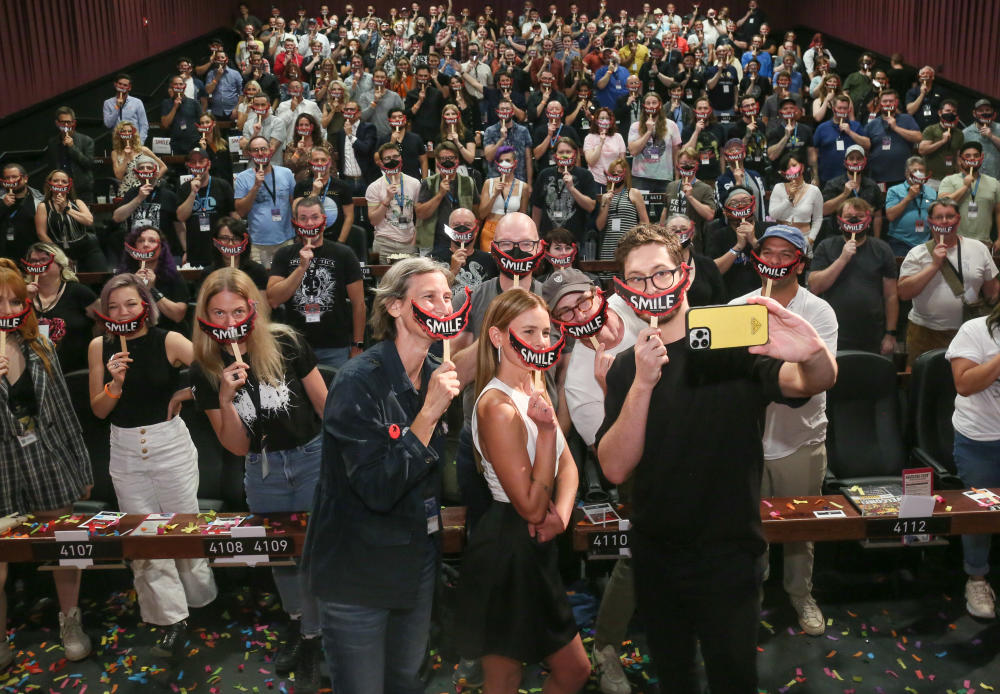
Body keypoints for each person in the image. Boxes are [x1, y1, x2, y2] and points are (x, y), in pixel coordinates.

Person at [596, 224, 837, 694]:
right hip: (657, 553)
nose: (652, 287)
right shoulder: (627, 365)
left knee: (733, 678)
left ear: (683, 274)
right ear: (625, 288)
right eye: (638, 278)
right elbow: (615, 467)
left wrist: (812, 352)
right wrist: (643, 382)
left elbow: (811, 381)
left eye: (661, 273)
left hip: (730, 551)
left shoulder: (729, 338)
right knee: (675, 678)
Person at [303, 258, 460, 694]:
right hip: (357, 566)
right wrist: (428, 414)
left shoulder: (436, 374)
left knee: (406, 682)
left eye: (447, 297)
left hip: (416, 557)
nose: (442, 305)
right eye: (428, 297)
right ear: (394, 307)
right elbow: (375, 488)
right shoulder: (358, 381)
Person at [191, 268, 327, 692]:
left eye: (237, 310)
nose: (230, 322)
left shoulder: (285, 342)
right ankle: (300, 627)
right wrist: (227, 400)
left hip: (311, 458)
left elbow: (326, 404)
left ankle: (314, 640)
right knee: (281, 556)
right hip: (262, 469)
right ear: (205, 317)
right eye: (218, 313)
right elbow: (234, 446)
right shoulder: (205, 369)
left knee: (313, 554)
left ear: (253, 307)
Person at [454, 287, 591, 694]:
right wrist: (548, 432)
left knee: (571, 671)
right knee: (507, 678)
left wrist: (562, 518)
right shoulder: (497, 406)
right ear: (497, 337)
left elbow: (570, 468)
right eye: (528, 332)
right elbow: (530, 505)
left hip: (534, 543)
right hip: (506, 546)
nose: (540, 343)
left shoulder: (534, 385)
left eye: (546, 333)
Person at [87, 273, 217, 659]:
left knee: (183, 530)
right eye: (113, 306)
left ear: (146, 304)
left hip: (169, 447)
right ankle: (170, 619)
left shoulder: (169, 340)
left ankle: (201, 604)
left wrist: (184, 392)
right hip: (124, 451)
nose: (122, 311)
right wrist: (114, 383)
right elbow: (98, 409)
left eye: (130, 303)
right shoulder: (100, 346)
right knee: (144, 540)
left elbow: (213, 371)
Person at [732, 224, 838, 636]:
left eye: (784, 254)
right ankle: (750, 596)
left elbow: (815, 377)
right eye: (768, 252)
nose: (774, 261)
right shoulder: (738, 306)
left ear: (800, 260)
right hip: (748, 441)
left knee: (800, 529)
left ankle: (800, 594)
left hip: (801, 436)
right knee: (749, 528)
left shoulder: (819, 311)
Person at [0, 259, 94, 666]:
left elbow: (64, 411)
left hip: (46, 457)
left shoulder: (41, 344)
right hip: (2, 466)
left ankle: (70, 620)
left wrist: (82, 468)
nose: (7, 309)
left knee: (64, 545)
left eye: (14, 300)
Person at [945, 304, 1000, 619]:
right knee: (980, 513)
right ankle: (976, 578)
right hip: (981, 440)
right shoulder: (975, 330)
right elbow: (964, 384)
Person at [898, 199, 1000, 367]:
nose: (944, 221)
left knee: (965, 382)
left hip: (969, 331)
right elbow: (904, 293)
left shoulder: (978, 248)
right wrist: (934, 265)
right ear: (930, 222)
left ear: (958, 219)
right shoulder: (916, 253)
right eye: (939, 217)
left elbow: (992, 292)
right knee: (924, 384)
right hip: (925, 332)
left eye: (950, 216)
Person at [267, 196, 366, 370]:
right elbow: (274, 299)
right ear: (295, 222)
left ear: (323, 220)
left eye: (314, 217)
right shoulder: (284, 255)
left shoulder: (344, 254)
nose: (309, 223)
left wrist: (358, 344)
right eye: (303, 218)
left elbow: (359, 304)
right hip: (296, 346)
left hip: (336, 347)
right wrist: (301, 268)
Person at [807, 198, 899, 354]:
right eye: (849, 216)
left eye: (860, 215)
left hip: (872, 334)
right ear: (839, 221)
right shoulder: (826, 246)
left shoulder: (882, 249)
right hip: (832, 332)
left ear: (868, 220)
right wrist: (842, 259)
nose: (854, 219)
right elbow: (815, 286)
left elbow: (891, 296)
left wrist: (890, 334)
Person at [24, 242, 98, 373]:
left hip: (76, 371)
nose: (38, 264)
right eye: (33, 261)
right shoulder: (22, 295)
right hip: (35, 372)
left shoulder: (79, 292)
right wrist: (25, 300)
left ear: (59, 264)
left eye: (44, 260)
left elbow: (104, 323)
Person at [235, 135, 297, 268]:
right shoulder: (242, 178)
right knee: (261, 284)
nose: (260, 153)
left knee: (287, 282)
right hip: (258, 244)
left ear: (270, 150)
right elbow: (241, 212)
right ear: (250, 154)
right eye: (255, 150)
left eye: (263, 149)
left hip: (286, 241)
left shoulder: (286, 173)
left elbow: (294, 205)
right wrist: (255, 187)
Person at [115, 226, 189, 332]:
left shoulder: (173, 276)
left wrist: (152, 289)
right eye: (140, 241)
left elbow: (178, 315)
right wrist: (133, 286)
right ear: (134, 246)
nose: (145, 245)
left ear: (161, 247)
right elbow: (116, 314)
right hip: (134, 333)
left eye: (152, 241)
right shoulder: (122, 277)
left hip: (168, 333)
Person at [33, 170, 106, 272]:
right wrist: (59, 254)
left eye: (64, 181)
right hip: (59, 248)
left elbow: (89, 221)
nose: (60, 183)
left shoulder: (78, 202)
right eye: (56, 180)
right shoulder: (43, 206)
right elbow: (41, 234)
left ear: (69, 185)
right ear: (49, 184)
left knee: (101, 275)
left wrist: (67, 209)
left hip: (86, 246)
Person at [112, 155, 184, 257]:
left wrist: (186, 251)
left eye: (149, 168)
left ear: (156, 173)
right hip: (136, 252)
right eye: (141, 168)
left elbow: (180, 227)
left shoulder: (169, 196)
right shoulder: (131, 194)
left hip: (163, 253)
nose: (145, 170)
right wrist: (138, 199)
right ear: (137, 174)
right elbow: (117, 217)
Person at [177, 148, 236, 268]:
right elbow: (180, 217)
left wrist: (234, 245)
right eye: (193, 162)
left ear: (208, 164)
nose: (197, 165)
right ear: (189, 166)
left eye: (201, 161)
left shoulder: (222, 185)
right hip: (195, 251)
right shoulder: (184, 188)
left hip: (221, 249)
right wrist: (193, 193)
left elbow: (234, 217)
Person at [705, 185, 766, 300]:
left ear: (754, 205)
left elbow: (774, 264)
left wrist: (753, 241)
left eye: (745, 201)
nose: (740, 205)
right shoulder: (717, 235)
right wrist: (737, 247)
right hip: (730, 300)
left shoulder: (769, 230)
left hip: (764, 297)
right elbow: (712, 271)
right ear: (725, 212)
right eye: (733, 203)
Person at [938, 142, 1000, 251]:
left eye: (976, 155)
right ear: (960, 159)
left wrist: (999, 238)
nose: (972, 159)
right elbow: (943, 206)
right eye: (968, 156)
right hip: (954, 242)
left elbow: (998, 212)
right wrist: (965, 187)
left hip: (983, 243)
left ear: (981, 158)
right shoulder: (949, 180)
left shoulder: (994, 183)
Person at [366, 142, 421, 262]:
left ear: (401, 158)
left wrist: (415, 240)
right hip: (384, 242)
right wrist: (387, 199)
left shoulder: (415, 183)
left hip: (408, 242)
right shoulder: (374, 187)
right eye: (387, 158)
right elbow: (373, 220)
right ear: (381, 163)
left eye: (396, 157)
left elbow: (421, 216)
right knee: (383, 281)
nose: (392, 160)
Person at [820, 145, 884, 243]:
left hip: (866, 238)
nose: (855, 162)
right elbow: (824, 211)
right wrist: (844, 194)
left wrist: (876, 240)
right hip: (838, 237)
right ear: (845, 162)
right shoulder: (833, 184)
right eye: (851, 159)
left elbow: (878, 216)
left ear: (864, 161)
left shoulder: (872, 186)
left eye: (859, 159)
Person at [292, 146, 356, 245]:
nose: (320, 163)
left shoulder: (342, 186)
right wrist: (314, 193)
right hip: (309, 239)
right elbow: (296, 212)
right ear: (310, 163)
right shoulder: (301, 186)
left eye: (323, 160)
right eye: (316, 160)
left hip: (335, 240)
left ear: (329, 162)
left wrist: (340, 242)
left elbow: (349, 216)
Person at [864, 90, 922, 193]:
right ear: (880, 103)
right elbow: (865, 148)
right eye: (885, 101)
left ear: (896, 102)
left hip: (903, 175)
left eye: (891, 101)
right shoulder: (872, 124)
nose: (888, 104)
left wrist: (896, 128)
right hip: (879, 177)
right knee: (882, 205)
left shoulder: (907, 119)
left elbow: (918, 137)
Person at [661, 149, 717, 255]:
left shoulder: (705, 188)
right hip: (670, 240)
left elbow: (710, 215)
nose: (687, 166)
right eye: (683, 163)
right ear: (677, 165)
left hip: (694, 242)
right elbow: (665, 211)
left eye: (691, 163)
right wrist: (660, 232)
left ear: (697, 165)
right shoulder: (671, 186)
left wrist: (691, 198)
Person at [664, 213, 725, 307]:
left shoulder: (707, 265)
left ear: (692, 235)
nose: (679, 232)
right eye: (673, 229)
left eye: (684, 229)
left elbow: (720, 301)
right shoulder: (656, 266)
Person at [429, 208, 498, 291]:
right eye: (456, 225)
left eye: (468, 225)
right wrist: (452, 271)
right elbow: (430, 292)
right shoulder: (433, 259)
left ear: (476, 230)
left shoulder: (490, 260)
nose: (462, 228)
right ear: (448, 230)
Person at [478, 146, 531, 251]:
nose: (504, 163)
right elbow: (481, 214)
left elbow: (523, 216)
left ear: (514, 163)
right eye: (501, 161)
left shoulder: (523, 187)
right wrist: (495, 194)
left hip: (513, 231)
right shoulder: (489, 183)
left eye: (507, 160)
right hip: (490, 230)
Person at [810, 95, 870, 187]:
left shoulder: (856, 126)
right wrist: (815, 176)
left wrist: (850, 132)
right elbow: (814, 153)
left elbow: (867, 145)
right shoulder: (822, 128)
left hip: (852, 178)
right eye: (839, 108)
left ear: (849, 110)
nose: (842, 111)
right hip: (827, 179)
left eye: (845, 108)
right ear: (833, 109)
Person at [596, 157, 649, 259]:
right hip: (608, 247)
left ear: (625, 174)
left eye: (619, 172)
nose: (616, 175)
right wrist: (606, 204)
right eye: (613, 172)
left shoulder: (634, 193)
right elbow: (599, 226)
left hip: (629, 246)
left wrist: (637, 241)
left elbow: (645, 222)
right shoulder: (605, 196)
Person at [628, 92, 682, 192]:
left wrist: (677, 178)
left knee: (664, 208)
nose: (651, 106)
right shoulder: (635, 126)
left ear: (660, 105)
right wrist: (648, 131)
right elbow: (633, 151)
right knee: (641, 207)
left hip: (664, 178)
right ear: (644, 106)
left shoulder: (672, 125)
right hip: (641, 178)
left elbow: (676, 154)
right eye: (648, 103)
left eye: (654, 102)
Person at [885, 156, 937, 257]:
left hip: (925, 241)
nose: (918, 173)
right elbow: (890, 216)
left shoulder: (932, 192)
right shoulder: (894, 190)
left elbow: (934, 217)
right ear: (906, 173)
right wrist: (908, 197)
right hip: (900, 242)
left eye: (921, 170)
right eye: (914, 170)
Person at [769, 153, 824, 247]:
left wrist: (811, 239)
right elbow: (773, 215)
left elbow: (818, 218)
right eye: (787, 168)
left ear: (802, 167)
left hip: (804, 238)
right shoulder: (778, 188)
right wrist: (789, 199)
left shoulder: (814, 191)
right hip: (781, 237)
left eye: (794, 165)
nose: (791, 170)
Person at [46, 107, 98, 203]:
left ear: (73, 123)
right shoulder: (52, 142)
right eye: (62, 122)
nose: (66, 125)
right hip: (59, 189)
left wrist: (72, 147)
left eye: (68, 122)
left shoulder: (86, 140)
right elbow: (52, 167)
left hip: (81, 190)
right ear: (57, 123)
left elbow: (89, 164)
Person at [207, 217, 269, 289]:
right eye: (224, 238)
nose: (230, 244)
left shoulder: (257, 271)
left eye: (236, 239)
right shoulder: (208, 273)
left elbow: (261, 299)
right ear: (215, 241)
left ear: (244, 242)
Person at [0, 164, 43, 263]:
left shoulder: (39, 201)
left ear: (25, 179)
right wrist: (3, 205)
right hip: (4, 259)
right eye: (7, 178)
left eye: (14, 177)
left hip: (31, 257)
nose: (11, 181)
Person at [111, 121, 167, 197]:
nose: (127, 134)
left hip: (143, 190)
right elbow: (119, 176)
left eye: (129, 131)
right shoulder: (115, 153)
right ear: (119, 135)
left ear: (133, 134)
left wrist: (153, 181)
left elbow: (163, 167)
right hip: (125, 192)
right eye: (124, 131)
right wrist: (126, 158)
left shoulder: (143, 150)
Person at [917, 99, 965, 188]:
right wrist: (942, 142)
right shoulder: (931, 129)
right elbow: (922, 150)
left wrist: (961, 176)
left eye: (954, 112)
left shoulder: (959, 133)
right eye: (948, 111)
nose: (951, 113)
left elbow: (958, 157)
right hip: (931, 179)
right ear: (940, 112)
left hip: (951, 179)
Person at [483, 99, 534, 182]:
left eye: (507, 109)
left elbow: (528, 158)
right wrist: (501, 139)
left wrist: (529, 184)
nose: (505, 111)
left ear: (512, 112)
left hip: (519, 180)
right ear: (498, 112)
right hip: (496, 180)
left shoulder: (523, 130)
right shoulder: (490, 131)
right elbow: (489, 157)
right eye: (502, 109)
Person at [160, 75, 202, 155]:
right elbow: (165, 124)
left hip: (193, 143)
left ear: (184, 86)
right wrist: (175, 107)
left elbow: (201, 123)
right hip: (176, 144)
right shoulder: (166, 103)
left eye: (181, 84)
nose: (178, 86)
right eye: (175, 84)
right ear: (171, 87)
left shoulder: (194, 103)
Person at [102, 73, 149, 143]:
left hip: (134, 142)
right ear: (115, 85)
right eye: (120, 84)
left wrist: (140, 143)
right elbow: (108, 124)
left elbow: (144, 125)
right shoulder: (108, 103)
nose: (122, 87)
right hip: (117, 143)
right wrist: (117, 107)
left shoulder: (137, 102)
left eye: (125, 85)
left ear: (129, 88)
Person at [963, 99, 1000, 181]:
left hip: (997, 180)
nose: (984, 113)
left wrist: (991, 136)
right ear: (974, 113)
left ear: (993, 112)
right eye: (980, 110)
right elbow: (960, 158)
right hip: (974, 179)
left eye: (987, 110)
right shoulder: (966, 133)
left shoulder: (999, 128)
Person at [204, 50, 245, 120]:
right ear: (215, 60)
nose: (220, 59)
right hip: (216, 111)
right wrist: (217, 77)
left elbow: (242, 93)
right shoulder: (211, 73)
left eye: (222, 57)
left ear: (226, 60)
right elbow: (208, 91)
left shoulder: (235, 74)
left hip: (232, 111)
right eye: (218, 58)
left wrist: (237, 108)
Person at [905, 66, 946, 132]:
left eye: (927, 73)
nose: (925, 75)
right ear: (919, 78)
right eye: (923, 73)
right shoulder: (912, 91)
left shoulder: (940, 91)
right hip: (917, 128)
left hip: (936, 128)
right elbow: (910, 111)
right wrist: (922, 94)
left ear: (932, 77)